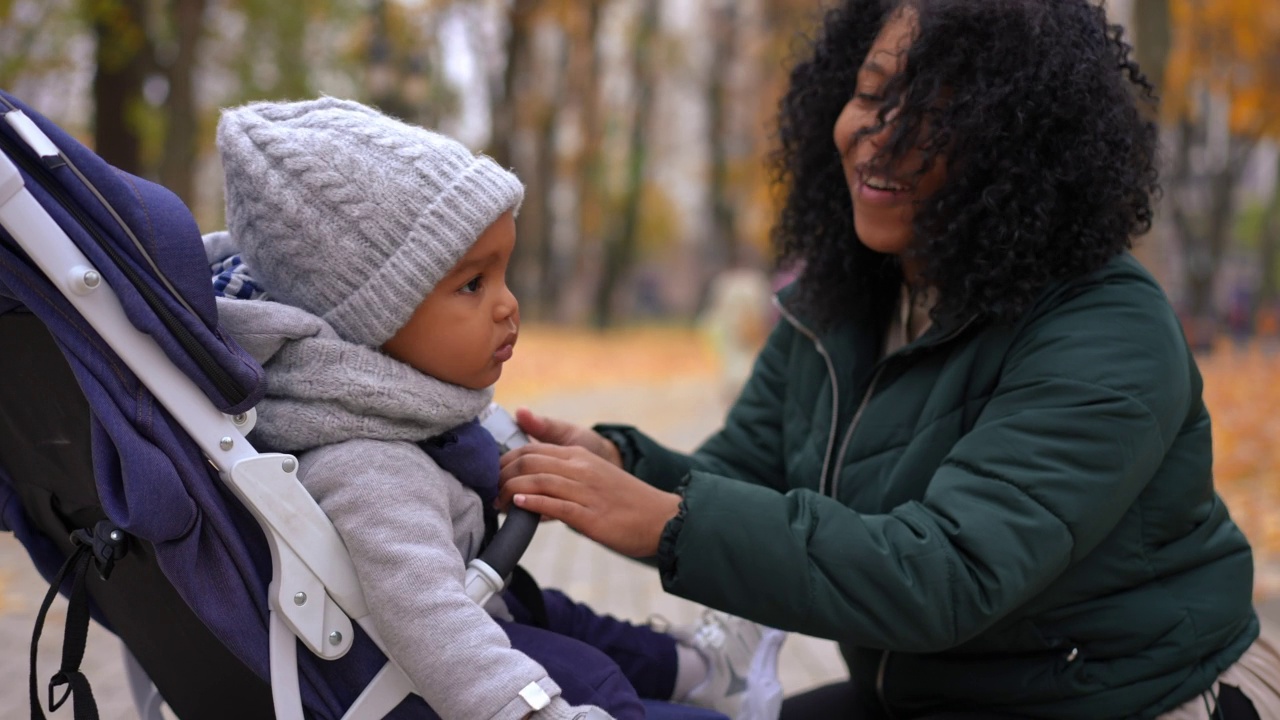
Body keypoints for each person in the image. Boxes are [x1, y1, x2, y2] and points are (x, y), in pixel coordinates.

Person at [497, 1, 1280, 718]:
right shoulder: (840, 301)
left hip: (1136, 698)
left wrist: (664, 524)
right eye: (872, 95)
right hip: (934, 690)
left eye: (941, 117)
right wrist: (617, 466)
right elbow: (745, 476)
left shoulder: (1107, 329)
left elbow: (947, 574)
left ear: (1025, 152)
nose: (883, 136)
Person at [208, 97, 785, 720]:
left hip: (494, 596)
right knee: (596, 672)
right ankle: (703, 692)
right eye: (473, 284)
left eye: (504, 274)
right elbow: (434, 628)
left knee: (563, 613)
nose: (508, 306)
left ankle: (706, 673)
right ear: (369, 321)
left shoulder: (387, 404)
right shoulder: (365, 467)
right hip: (454, 666)